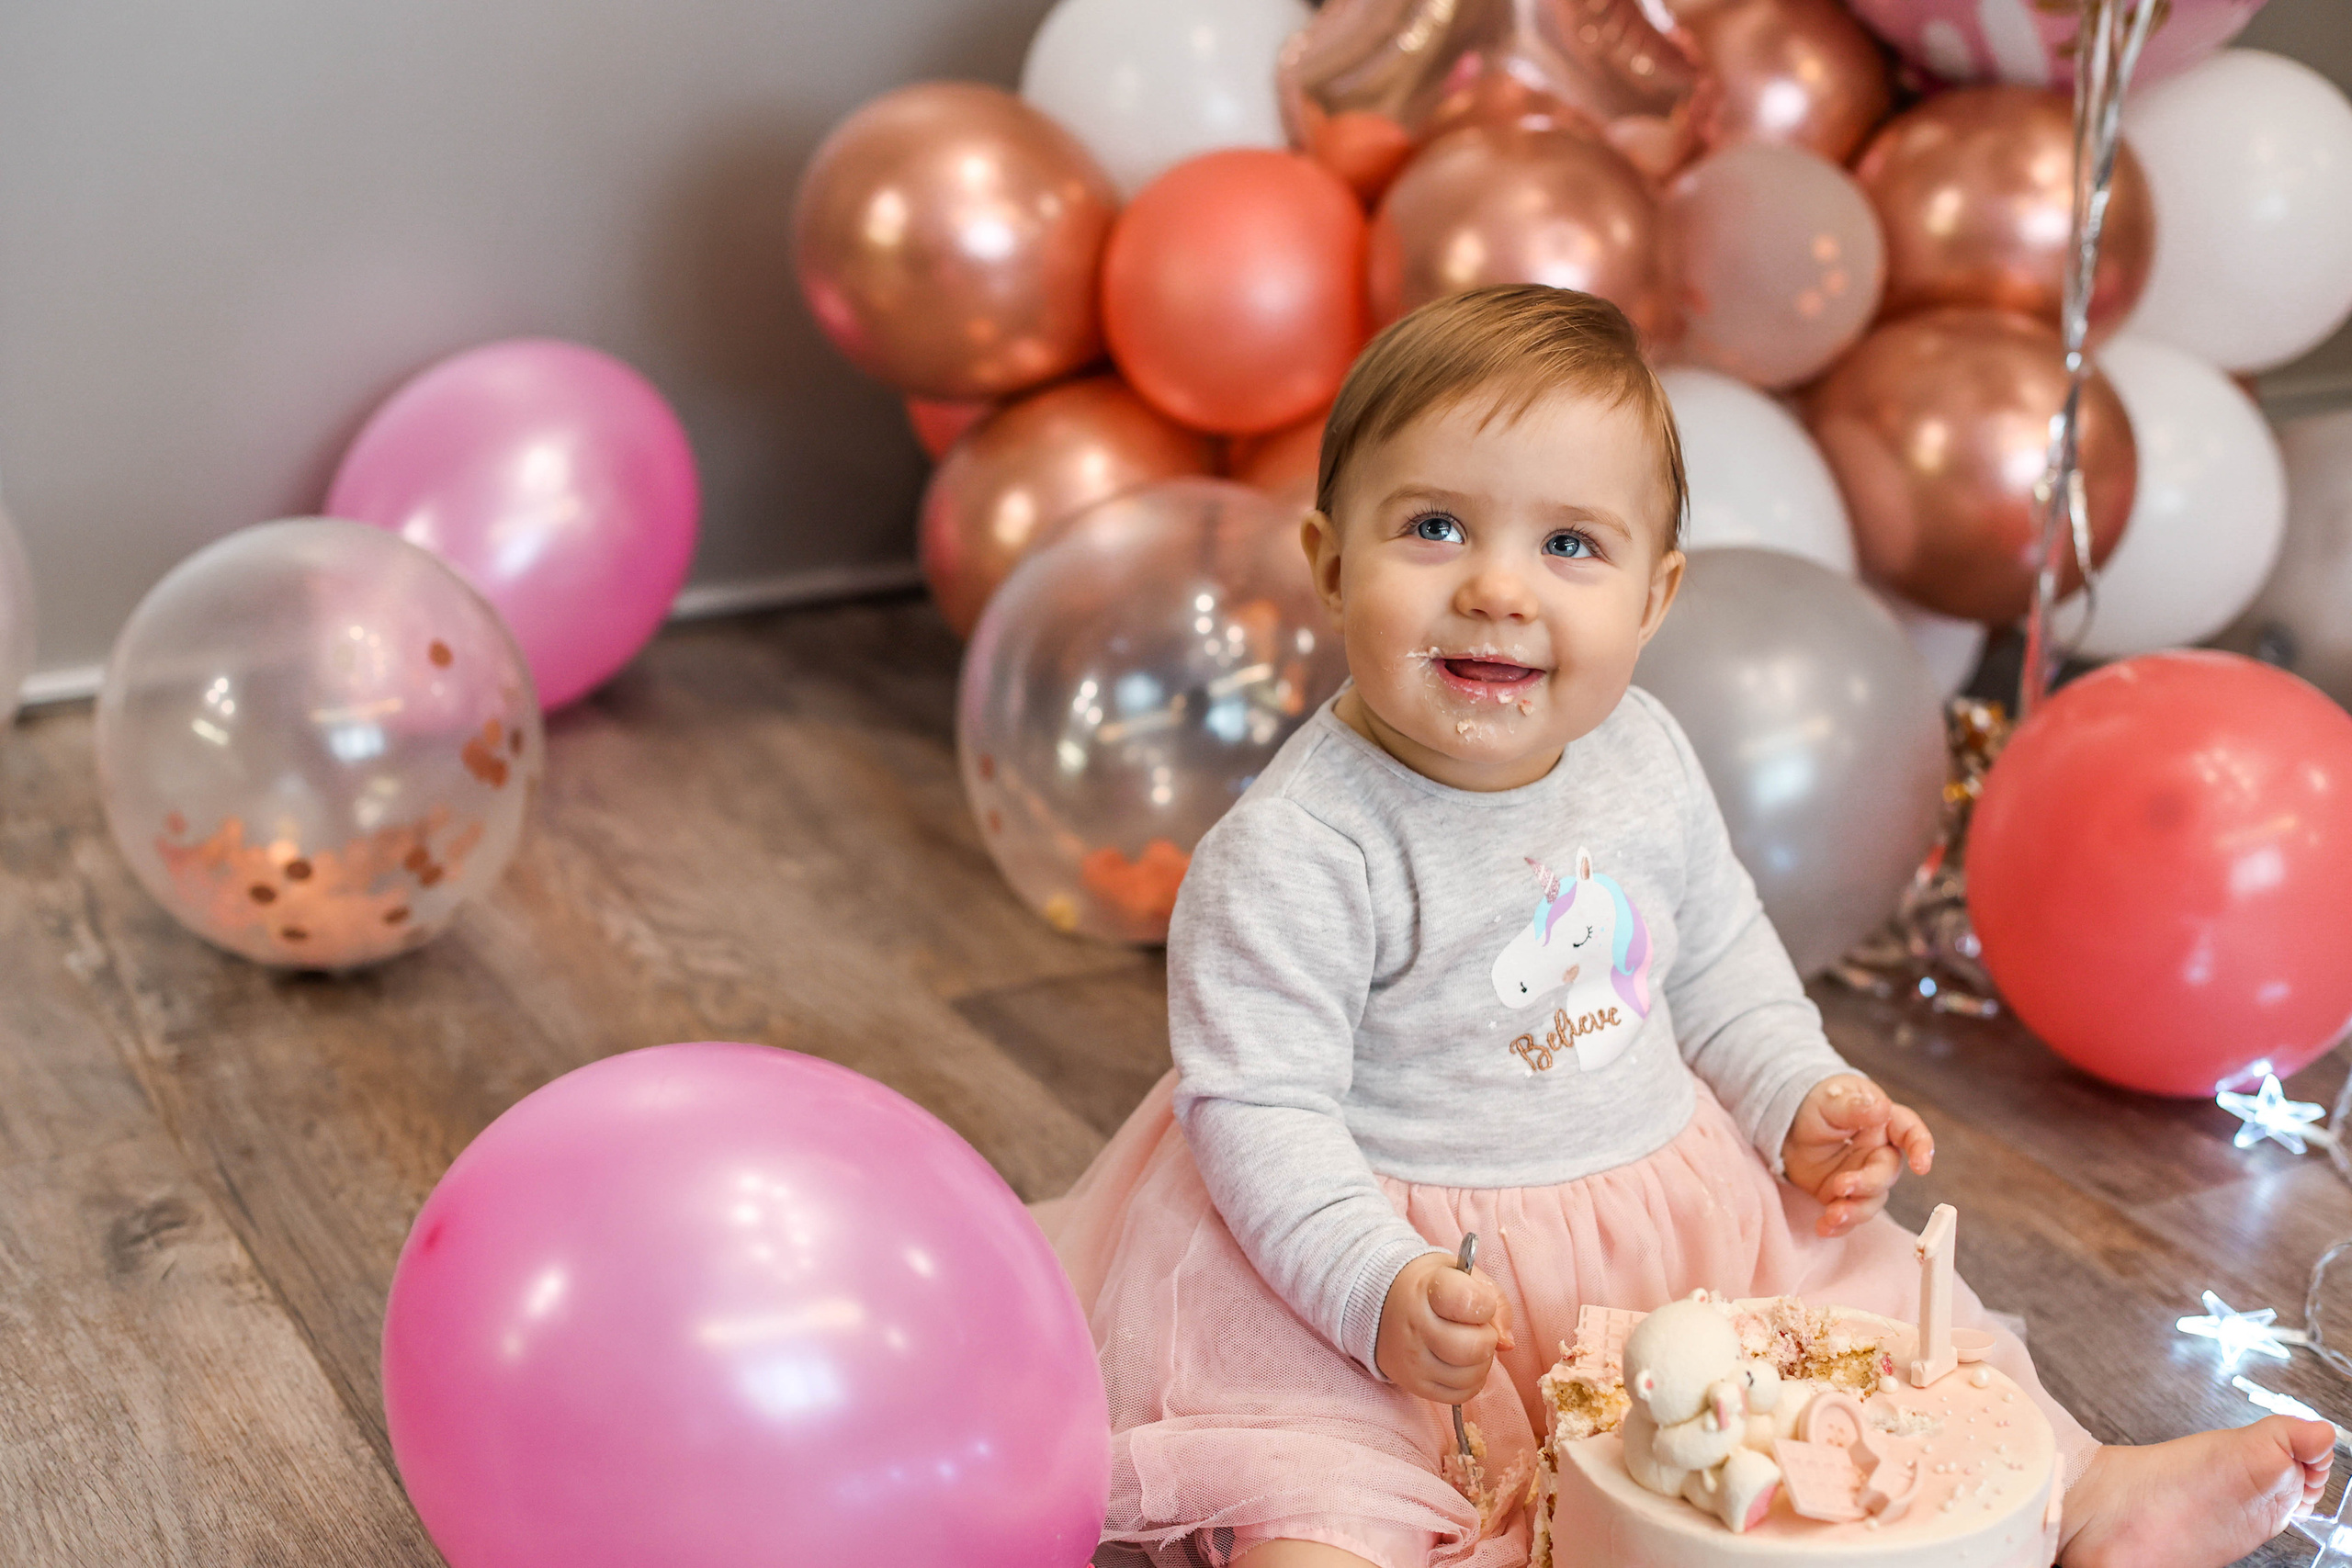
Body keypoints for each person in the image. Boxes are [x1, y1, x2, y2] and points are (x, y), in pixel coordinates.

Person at [1044, 284, 2333, 1568]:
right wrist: (1371, 1287)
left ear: (1655, 598)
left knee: (1895, 1328)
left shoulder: (1644, 753)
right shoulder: (1298, 848)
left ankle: (2090, 1490)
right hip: (1381, 1258)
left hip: (1671, 1228)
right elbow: (1259, 1112)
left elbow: (1715, 956)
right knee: (1321, 1475)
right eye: (1435, 527)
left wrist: (1795, 1090)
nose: (1499, 587)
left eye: (1570, 547)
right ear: (1332, 565)